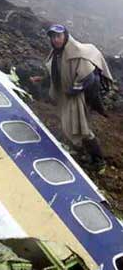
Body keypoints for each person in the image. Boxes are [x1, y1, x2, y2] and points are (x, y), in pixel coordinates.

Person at [37, 24, 113, 171]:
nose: (56, 39)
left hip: (77, 97)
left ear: (66, 36)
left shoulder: (76, 53)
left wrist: (74, 90)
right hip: (66, 96)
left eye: (59, 36)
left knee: (83, 129)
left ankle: (99, 162)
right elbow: (56, 73)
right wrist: (42, 79)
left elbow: (89, 77)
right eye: (53, 37)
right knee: (68, 124)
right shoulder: (57, 53)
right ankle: (79, 149)